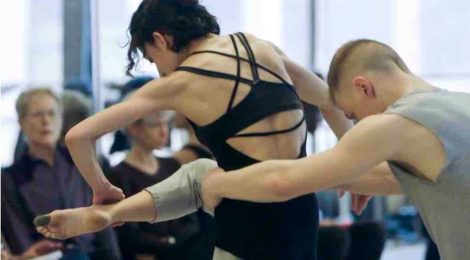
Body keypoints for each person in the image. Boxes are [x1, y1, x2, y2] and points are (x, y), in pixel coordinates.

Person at [33, 0, 352, 259]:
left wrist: (101, 188)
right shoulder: (260, 46)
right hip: (302, 213)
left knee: (203, 178)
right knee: (201, 173)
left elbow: (78, 136)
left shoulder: (179, 82)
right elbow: (330, 99)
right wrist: (353, 165)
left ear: (160, 38)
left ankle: (108, 212)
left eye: (151, 58)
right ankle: (111, 213)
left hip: (247, 219)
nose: (158, 69)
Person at [199, 39, 470, 260]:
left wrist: (218, 183)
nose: (356, 123)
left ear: (363, 87)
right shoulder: (458, 106)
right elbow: (391, 178)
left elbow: (281, 182)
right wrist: (352, 175)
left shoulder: (395, 123)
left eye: (352, 115)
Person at [1, 88, 121, 260]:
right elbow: (17, 235)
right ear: (22, 122)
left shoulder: (81, 161)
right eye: (37, 114)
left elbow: (103, 217)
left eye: (52, 113)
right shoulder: (11, 177)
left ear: (61, 118)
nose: (46, 121)